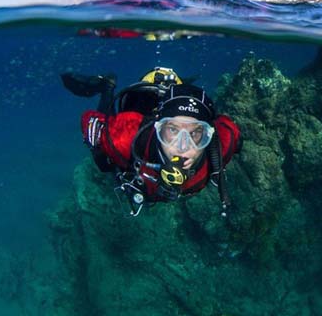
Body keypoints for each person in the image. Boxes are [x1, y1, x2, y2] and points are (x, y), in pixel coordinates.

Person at [61, 67, 242, 216]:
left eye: (195, 133)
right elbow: (90, 119)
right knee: (104, 160)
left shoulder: (222, 145)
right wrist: (97, 143)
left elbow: (230, 128)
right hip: (137, 114)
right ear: (157, 129)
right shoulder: (124, 137)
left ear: (209, 136)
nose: (182, 146)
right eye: (173, 130)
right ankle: (107, 86)